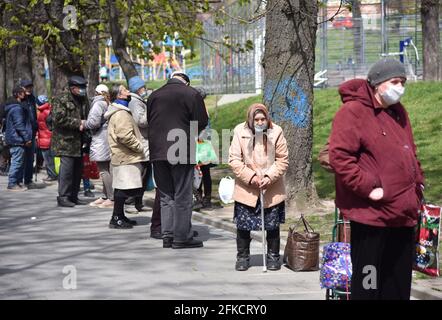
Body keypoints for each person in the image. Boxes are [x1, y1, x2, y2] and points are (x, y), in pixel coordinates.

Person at [329, 58, 425, 300]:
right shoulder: (353, 112)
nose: (400, 87)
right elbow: (340, 157)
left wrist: (419, 185)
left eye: (403, 82)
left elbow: (410, 152)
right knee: (369, 282)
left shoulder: (399, 111)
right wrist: (370, 188)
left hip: (402, 215)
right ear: (377, 84)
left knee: (397, 283)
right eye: (395, 82)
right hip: (372, 217)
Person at [147, 71, 208, 249]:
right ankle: (182, 237)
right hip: (181, 148)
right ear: (186, 82)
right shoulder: (191, 94)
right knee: (182, 194)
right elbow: (201, 121)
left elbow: (150, 120)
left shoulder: (154, 95)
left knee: (166, 195)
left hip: (157, 150)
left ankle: (168, 235)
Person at [229, 103, 289, 271]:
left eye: (263, 119)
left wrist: (270, 176)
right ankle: (242, 257)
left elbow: (283, 159)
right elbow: (234, 159)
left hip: (271, 186)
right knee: (243, 225)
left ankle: (273, 256)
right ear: (250, 119)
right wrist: (251, 177)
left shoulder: (276, 131)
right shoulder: (239, 132)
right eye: (257, 119)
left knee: (272, 225)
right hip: (247, 186)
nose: (260, 122)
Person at [104, 84, 146, 229]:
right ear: (119, 95)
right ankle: (116, 218)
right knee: (124, 189)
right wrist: (139, 146)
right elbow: (124, 135)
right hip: (125, 156)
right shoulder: (121, 113)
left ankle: (119, 216)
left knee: (123, 188)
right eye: (125, 90)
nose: (128, 92)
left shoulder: (120, 110)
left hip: (123, 155)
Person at [51, 75, 90, 207]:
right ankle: (63, 197)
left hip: (79, 142)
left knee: (77, 171)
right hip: (65, 142)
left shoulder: (83, 99)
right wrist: (78, 123)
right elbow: (58, 118)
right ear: (73, 88)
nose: (83, 90)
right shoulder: (61, 99)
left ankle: (74, 196)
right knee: (66, 171)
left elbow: (87, 116)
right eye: (81, 88)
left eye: (84, 87)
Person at [192, 87, 222, 211]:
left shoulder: (198, 109)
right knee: (204, 172)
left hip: (200, 144)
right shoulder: (202, 107)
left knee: (199, 171)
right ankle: (204, 197)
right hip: (204, 144)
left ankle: (201, 197)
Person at [85, 84, 114, 208]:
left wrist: (84, 124)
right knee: (107, 169)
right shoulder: (108, 103)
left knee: (103, 170)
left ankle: (111, 198)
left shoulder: (98, 104)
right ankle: (105, 195)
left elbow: (93, 122)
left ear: (96, 92)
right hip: (107, 138)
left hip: (100, 139)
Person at [127, 75, 151, 214]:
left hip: (145, 141)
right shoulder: (135, 103)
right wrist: (151, 111)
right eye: (142, 87)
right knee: (140, 174)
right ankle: (132, 201)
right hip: (142, 141)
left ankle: (138, 202)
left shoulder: (140, 101)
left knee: (145, 173)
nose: (145, 89)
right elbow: (140, 120)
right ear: (137, 89)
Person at [3, 86, 33, 191]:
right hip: (17, 139)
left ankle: (18, 182)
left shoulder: (15, 107)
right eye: (22, 92)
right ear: (17, 94)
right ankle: (12, 184)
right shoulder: (16, 109)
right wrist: (26, 138)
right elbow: (19, 125)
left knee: (19, 162)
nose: (24, 94)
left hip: (16, 139)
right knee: (16, 162)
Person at [20, 79, 40, 189]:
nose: (29, 89)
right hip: (22, 132)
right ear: (22, 88)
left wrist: (36, 128)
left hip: (32, 131)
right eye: (26, 87)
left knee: (30, 158)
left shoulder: (32, 98)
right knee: (21, 158)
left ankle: (28, 180)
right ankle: (18, 180)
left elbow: (34, 115)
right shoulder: (19, 99)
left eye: (30, 87)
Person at [36, 95, 58, 182]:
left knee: (48, 158)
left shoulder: (42, 113)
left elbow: (41, 127)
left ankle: (51, 175)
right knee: (50, 157)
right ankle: (53, 174)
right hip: (50, 136)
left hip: (45, 138)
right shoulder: (50, 110)